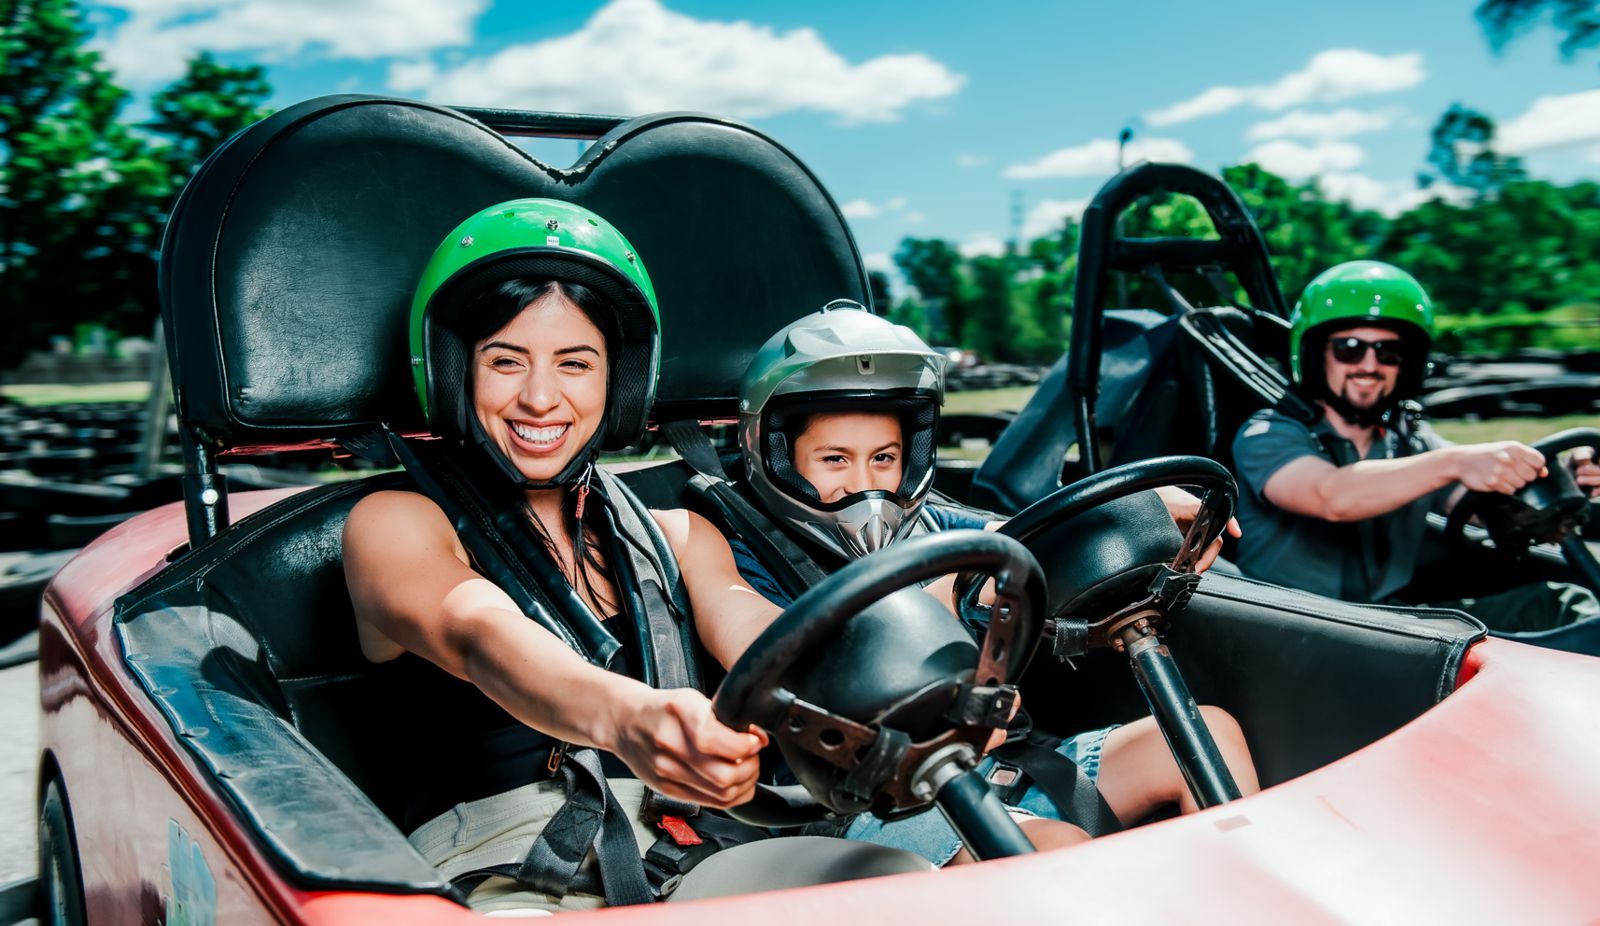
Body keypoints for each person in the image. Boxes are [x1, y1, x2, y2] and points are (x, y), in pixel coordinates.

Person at [342, 200, 1086, 913]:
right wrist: (628, 718)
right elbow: (477, 633)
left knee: (968, 878)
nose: (541, 397)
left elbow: (779, 643)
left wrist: (928, 697)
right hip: (510, 861)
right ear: (456, 369)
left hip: (698, 846)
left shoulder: (676, 534)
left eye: (575, 363)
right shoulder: (395, 522)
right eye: (506, 361)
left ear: (617, 380)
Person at [726, 301, 1260, 867]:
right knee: (1057, 851)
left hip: (992, 761)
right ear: (779, 456)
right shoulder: (746, 550)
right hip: (866, 802)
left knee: (1212, 733)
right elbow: (800, 662)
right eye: (835, 459)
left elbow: (1030, 536)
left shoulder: (930, 522)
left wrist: (1135, 514)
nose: (864, 484)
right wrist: (969, 582)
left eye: (884, 458)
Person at [1230, 260, 1600, 630]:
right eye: (1349, 348)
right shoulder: (1268, 433)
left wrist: (1559, 481)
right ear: (1316, 355)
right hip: (1293, 630)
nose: (1369, 365)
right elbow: (1331, 495)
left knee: (1561, 606)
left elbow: (1476, 501)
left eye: (1388, 352)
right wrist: (1454, 462)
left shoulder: (1409, 439)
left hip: (1392, 623)